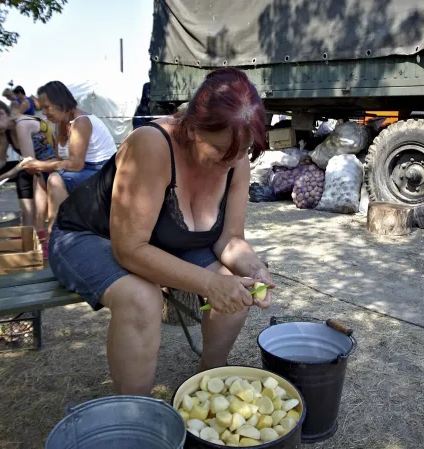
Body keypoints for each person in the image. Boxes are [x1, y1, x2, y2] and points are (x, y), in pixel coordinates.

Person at [49, 68, 274, 395]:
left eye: (241, 153)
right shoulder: (152, 144)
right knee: (142, 298)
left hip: (159, 239)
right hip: (86, 235)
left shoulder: (234, 155)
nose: (230, 163)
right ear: (193, 127)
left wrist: (255, 268)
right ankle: (135, 416)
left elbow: (230, 239)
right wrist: (211, 284)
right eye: (219, 151)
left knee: (238, 285)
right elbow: (129, 249)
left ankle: (207, 385)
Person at [30, 81, 117, 232]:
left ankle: (56, 233)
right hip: (86, 170)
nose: (43, 112)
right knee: (39, 177)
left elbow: (76, 165)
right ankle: (39, 231)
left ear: (60, 103)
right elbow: (60, 160)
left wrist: (41, 165)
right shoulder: (60, 123)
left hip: (102, 172)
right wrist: (36, 166)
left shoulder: (81, 122)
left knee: (55, 180)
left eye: (46, 107)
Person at [0, 97, 57, 234]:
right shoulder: (5, 130)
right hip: (32, 166)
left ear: (2, 113)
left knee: (23, 175)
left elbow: (28, 161)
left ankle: (29, 227)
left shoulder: (22, 124)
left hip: (48, 165)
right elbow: (0, 157)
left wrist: (1, 177)